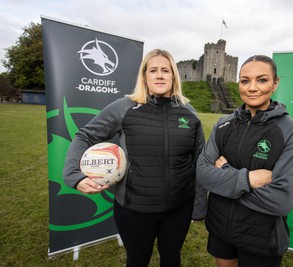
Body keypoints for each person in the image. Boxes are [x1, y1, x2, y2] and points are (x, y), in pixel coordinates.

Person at [63, 49, 207, 267]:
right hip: (134, 210)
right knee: (137, 261)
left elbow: (199, 160)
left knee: (171, 259)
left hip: (179, 209)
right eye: (153, 70)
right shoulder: (125, 107)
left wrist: (199, 203)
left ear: (174, 76)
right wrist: (73, 174)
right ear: (145, 76)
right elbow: (85, 135)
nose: (159, 75)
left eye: (165, 70)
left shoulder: (189, 112)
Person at [196, 55, 293, 267]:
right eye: (245, 81)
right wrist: (247, 179)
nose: (252, 87)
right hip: (221, 228)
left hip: (261, 237)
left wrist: (224, 177)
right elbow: (202, 173)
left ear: (275, 84)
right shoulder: (223, 124)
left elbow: (281, 200)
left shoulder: (290, 131)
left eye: (262, 80)